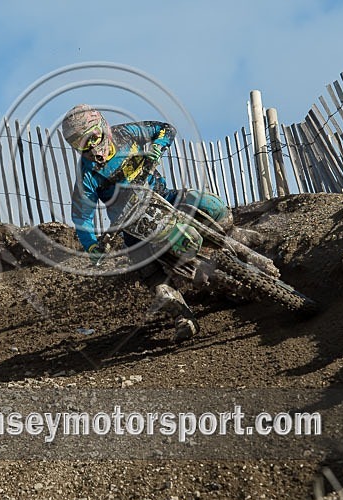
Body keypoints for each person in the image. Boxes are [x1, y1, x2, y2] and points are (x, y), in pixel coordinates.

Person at [62, 104, 230, 342]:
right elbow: (82, 217)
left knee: (210, 204)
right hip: (132, 226)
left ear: (102, 127)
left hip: (163, 197)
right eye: (80, 144)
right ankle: (182, 317)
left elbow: (165, 129)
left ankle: (235, 239)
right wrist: (92, 246)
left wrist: (158, 147)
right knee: (148, 272)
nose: (89, 147)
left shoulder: (126, 133)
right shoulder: (86, 176)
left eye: (92, 138)